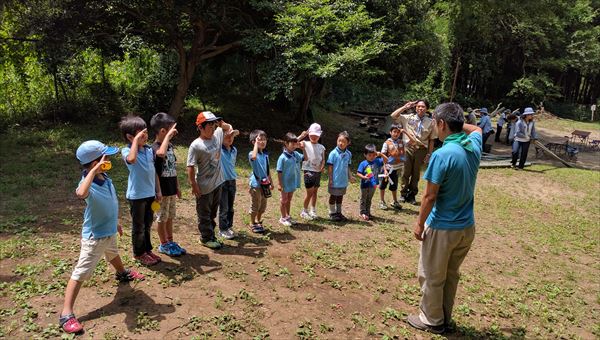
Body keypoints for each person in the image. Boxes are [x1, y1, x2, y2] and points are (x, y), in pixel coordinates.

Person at [407, 102, 482, 334]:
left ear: (440, 124)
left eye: (436, 123)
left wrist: (419, 224)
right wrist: (459, 125)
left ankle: (431, 320)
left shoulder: (441, 155)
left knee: (431, 275)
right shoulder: (473, 146)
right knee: (450, 275)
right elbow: (478, 130)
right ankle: (444, 317)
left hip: (443, 228)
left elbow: (429, 196)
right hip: (466, 228)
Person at [60, 141, 144, 334]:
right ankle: (66, 313)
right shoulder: (87, 182)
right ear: (95, 162)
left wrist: (115, 223)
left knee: (113, 253)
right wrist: (93, 171)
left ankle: (122, 273)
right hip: (94, 236)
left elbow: (109, 204)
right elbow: (81, 193)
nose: (109, 161)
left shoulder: (106, 179)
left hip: (109, 230)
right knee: (81, 272)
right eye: (105, 158)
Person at [187, 111, 233, 249]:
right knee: (204, 214)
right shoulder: (196, 145)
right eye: (209, 126)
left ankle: (210, 234)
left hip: (218, 183)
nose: (213, 129)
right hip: (204, 187)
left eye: (214, 125)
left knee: (213, 212)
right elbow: (190, 166)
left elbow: (228, 127)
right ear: (200, 127)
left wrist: (221, 124)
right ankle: (205, 238)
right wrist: (194, 186)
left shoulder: (217, 135)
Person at [120, 115, 162, 266]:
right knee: (139, 226)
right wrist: (136, 142)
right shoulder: (126, 151)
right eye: (140, 134)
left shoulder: (149, 150)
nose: (145, 136)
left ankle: (147, 249)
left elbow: (154, 172)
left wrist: (158, 191)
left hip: (150, 194)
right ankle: (138, 253)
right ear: (130, 137)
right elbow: (131, 160)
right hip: (136, 196)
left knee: (148, 223)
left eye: (145, 133)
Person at [150, 112, 185, 257]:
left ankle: (170, 241)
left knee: (170, 217)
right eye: (171, 130)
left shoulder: (170, 146)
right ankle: (163, 244)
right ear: (163, 131)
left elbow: (173, 167)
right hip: (161, 191)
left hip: (171, 189)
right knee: (162, 218)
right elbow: (160, 155)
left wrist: (177, 186)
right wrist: (158, 191)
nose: (174, 133)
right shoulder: (154, 147)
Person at [390, 100, 437, 205]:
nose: (420, 108)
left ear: (427, 109)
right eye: (419, 106)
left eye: (423, 107)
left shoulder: (431, 122)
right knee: (405, 172)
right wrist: (405, 107)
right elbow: (393, 116)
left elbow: (432, 140)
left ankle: (412, 195)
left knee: (416, 174)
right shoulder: (408, 118)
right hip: (408, 148)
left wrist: (429, 154)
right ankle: (403, 194)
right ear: (416, 108)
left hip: (421, 150)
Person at [276, 132, 306, 226]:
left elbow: (305, 158)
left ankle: (288, 216)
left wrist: (303, 149)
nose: (294, 146)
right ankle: (282, 218)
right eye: (292, 144)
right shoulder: (282, 157)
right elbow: (279, 171)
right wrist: (280, 184)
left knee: (289, 200)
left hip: (292, 183)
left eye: (295, 144)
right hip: (285, 184)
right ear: (286, 143)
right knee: (283, 200)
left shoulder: (295, 154)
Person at [248, 129, 273, 233]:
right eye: (259, 140)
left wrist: (271, 182)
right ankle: (252, 222)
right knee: (255, 205)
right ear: (254, 142)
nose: (263, 142)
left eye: (264, 140)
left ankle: (258, 220)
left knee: (263, 205)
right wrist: (256, 145)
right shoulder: (251, 154)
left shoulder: (265, 155)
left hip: (265, 184)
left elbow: (268, 170)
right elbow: (254, 157)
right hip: (256, 184)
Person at [326, 131, 354, 221]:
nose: (341, 143)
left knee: (340, 196)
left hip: (343, 180)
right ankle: (332, 212)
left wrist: (350, 176)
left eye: (343, 141)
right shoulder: (333, 153)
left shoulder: (349, 154)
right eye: (339, 141)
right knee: (333, 196)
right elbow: (330, 167)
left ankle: (338, 212)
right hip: (334, 180)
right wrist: (330, 179)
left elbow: (348, 167)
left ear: (348, 143)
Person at [300, 123, 326, 220]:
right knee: (309, 193)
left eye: (316, 135)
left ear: (319, 135)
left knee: (315, 192)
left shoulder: (321, 147)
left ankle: (313, 210)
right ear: (308, 134)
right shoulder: (305, 143)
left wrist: (322, 166)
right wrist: (301, 136)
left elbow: (323, 159)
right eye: (312, 135)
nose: (314, 137)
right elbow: (293, 144)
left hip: (317, 171)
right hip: (308, 170)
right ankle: (304, 211)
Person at [218, 128, 240, 240]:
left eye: (232, 136)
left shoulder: (234, 150)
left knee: (231, 207)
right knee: (224, 207)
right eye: (227, 136)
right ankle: (222, 229)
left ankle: (229, 226)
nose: (230, 139)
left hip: (232, 180)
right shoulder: (218, 150)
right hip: (222, 181)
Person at [356, 144, 388, 220]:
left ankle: (368, 212)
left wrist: (381, 154)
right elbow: (358, 173)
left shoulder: (377, 161)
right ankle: (362, 212)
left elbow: (386, 160)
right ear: (365, 155)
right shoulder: (363, 163)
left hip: (373, 185)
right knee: (363, 198)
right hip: (364, 185)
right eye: (369, 155)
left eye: (373, 155)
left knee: (369, 199)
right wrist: (364, 177)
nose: (371, 157)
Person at [379, 124, 405, 210]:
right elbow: (383, 156)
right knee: (383, 185)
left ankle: (395, 201)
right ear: (390, 132)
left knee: (394, 185)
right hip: (387, 169)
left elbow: (413, 142)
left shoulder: (401, 142)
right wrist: (385, 169)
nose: (396, 134)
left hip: (396, 169)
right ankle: (382, 201)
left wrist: (405, 132)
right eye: (394, 132)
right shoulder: (386, 143)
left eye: (398, 132)